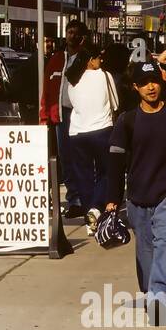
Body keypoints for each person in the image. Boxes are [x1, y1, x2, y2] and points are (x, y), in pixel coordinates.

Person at [106, 64, 166, 324]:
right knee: (146, 250)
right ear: (136, 88)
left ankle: (159, 299)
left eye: (154, 81)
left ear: (161, 83)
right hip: (138, 196)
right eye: (144, 83)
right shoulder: (127, 120)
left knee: (164, 245)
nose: (151, 87)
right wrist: (112, 198)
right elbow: (115, 163)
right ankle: (152, 290)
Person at [41, 21, 92, 219]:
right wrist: (45, 114)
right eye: (69, 32)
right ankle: (75, 200)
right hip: (61, 116)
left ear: (81, 36)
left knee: (83, 158)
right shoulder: (55, 59)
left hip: (83, 115)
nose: (71, 36)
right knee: (66, 157)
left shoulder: (87, 58)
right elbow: (47, 87)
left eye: (75, 33)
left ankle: (88, 198)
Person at [68, 45, 120, 235]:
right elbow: (115, 104)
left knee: (83, 175)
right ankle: (96, 209)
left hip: (77, 132)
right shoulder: (104, 76)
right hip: (101, 129)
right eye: (98, 58)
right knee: (107, 172)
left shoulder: (72, 79)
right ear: (91, 60)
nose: (101, 61)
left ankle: (90, 212)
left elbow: (71, 103)